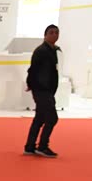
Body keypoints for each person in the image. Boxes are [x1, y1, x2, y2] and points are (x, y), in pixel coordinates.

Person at [24, 24, 61, 158]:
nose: (54, 35)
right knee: (52, 118)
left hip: (48, 89)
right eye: (51, 32)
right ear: (45, 35)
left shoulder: (54, 50)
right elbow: (32, 69)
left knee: (40, 118)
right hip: (41, 89)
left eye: (56, 32)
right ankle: (43, 146)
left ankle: (30, 146)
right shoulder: (41, 51)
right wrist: (30, 83)